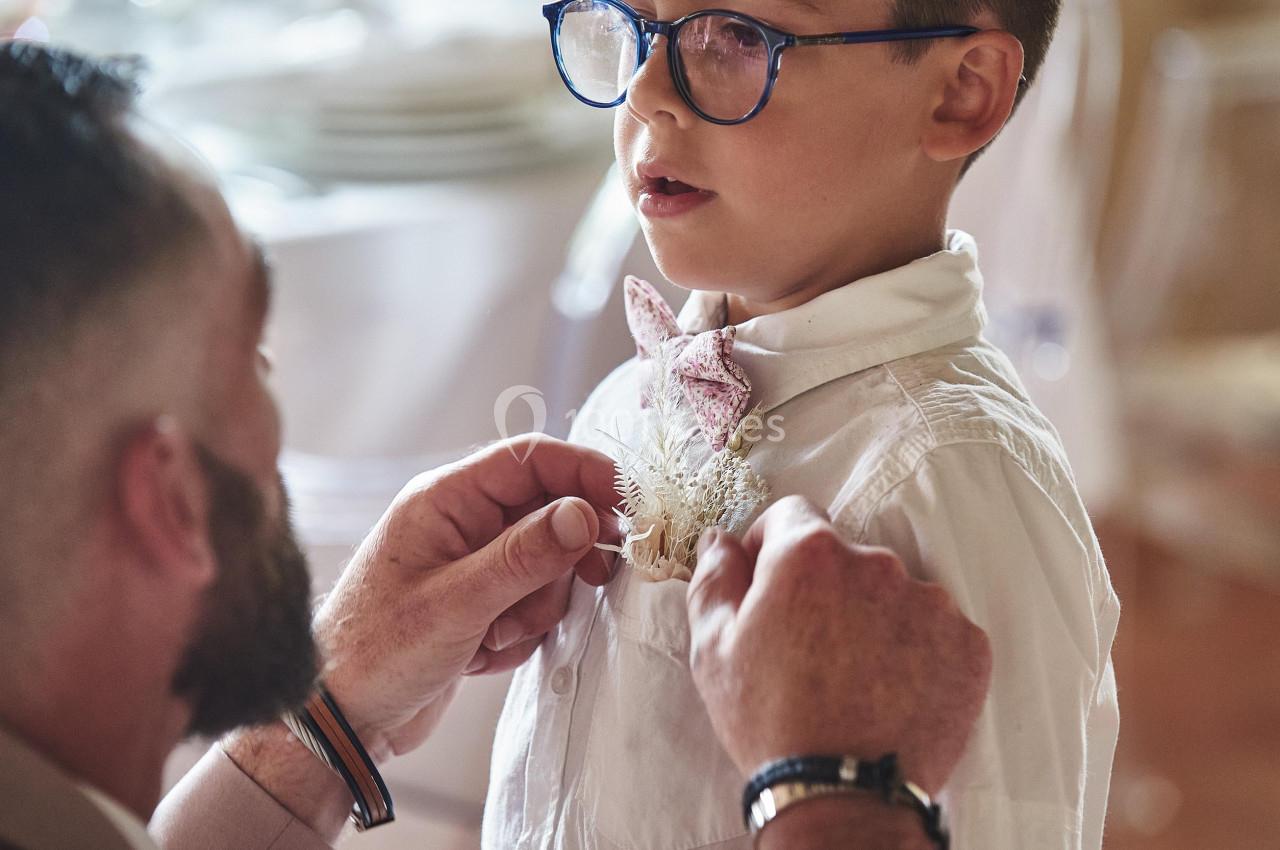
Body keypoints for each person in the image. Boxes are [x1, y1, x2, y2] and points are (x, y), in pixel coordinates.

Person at [0, 40, 991, 850]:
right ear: (166, 498)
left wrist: (322, 721)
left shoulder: (943, 462)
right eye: (249, 359)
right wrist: (836, 803)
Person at [484, 1, 1120, 848]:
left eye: (736, 38)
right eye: (630, 22)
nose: (644, 92)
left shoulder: (947, 473)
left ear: (960, 96)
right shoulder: (625, 401)